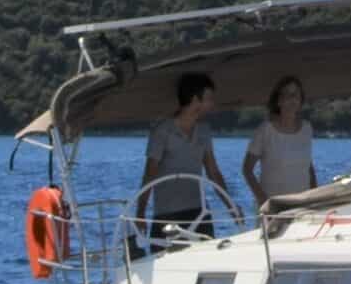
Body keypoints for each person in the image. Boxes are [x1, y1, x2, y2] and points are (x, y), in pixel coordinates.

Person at [135, 71, 240, 251]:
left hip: (199, 211)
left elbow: (213, 172)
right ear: (195, 99)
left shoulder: (204, 131)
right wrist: (140, 212)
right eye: (209, 98)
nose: (212, 104)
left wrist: (230, 204)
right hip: (167, 214)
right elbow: (149, 173)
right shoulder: (162, 131)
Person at [243, 74, 318, 214]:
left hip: (303, 206)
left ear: (301, 100)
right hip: (273, 208)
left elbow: (309, 167)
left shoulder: (307, 128)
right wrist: (263, 200)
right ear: (278, 101)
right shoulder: (265, 130)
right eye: (288, 95)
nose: (292, 99)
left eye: (296, 94)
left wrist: (315, 197)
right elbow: (247, 170)